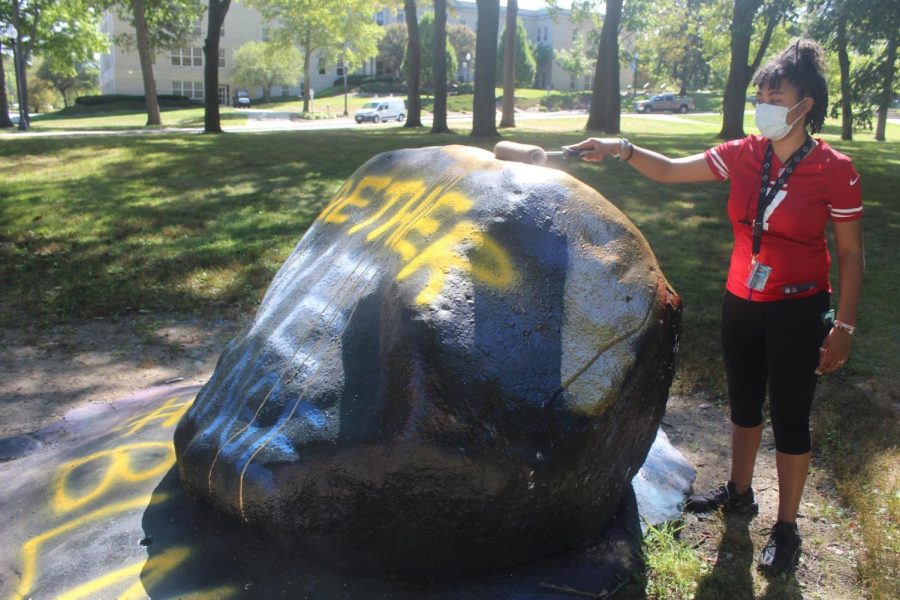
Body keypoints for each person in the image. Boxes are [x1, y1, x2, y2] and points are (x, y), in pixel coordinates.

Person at [565, 39, 864, 576]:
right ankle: (740, 494)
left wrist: (842, 324)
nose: (767, 103)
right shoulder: (745, 153)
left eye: (778, 94)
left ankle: (788, 527)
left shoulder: (834, 170)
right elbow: (673, 170)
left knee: (791, 417)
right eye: (762, 94)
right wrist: (622, 149)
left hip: (799, 308)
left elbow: (849, 252)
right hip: (741, 301)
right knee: (744, 405)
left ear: (807, 104)